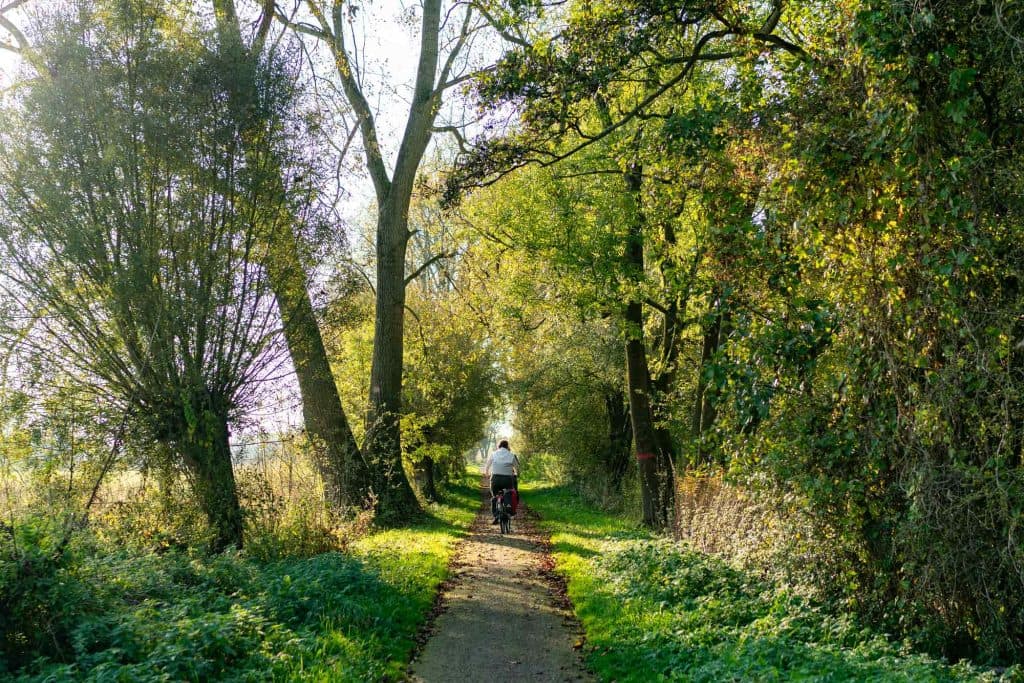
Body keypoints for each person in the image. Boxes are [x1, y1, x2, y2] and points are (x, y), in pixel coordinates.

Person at [484, 439, 520, 524]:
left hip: (495, 479)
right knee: (509, 493)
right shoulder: (511, 455)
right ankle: (509, 509)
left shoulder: (493, 454)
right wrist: (517, 474)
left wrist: (487, 474)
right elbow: (517, 468)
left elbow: (487, 466)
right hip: (507, 479)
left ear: (498, 446)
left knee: (494, 497)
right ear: (507, 446)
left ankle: (496, 515)